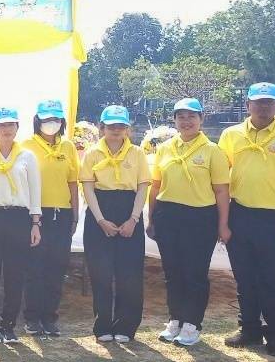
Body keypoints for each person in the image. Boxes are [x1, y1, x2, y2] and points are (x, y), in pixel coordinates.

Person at [217, 82, 275, 356]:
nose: (263, 107)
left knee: (274, 278)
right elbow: (220, 178)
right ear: (248, 105)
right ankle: (249, 329)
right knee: (244, 276)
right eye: (258, 102)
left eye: (269, 102)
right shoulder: (231, 135)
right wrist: (222, 220)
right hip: (240, 213)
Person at [146, 98, 230, 348]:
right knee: (173, 272)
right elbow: (156, 186)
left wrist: (223, 224)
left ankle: (192, 324)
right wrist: (152, 218)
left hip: (200, 217)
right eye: (181, 117)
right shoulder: (165, 148)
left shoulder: (213, 151)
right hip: (168, 215)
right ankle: (175, 319)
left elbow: (221, 191)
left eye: (192, 116)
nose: (186, 121)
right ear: (174, 120)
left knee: (195, 273)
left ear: (201, 119)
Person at [80, 105, 151, 343]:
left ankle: (126, 325)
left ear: (127, 129)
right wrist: (100, 220)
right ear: (102, 128)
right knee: (100, 271)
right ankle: (102, 325)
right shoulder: (92, 153)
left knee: (129, 273)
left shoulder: (137, 153)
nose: (116, 130)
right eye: (111, 126)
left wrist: (133, 219)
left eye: (121, 126)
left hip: (129, 210)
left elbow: (142, 187)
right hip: (100, 211)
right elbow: (88, 188)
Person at [0, 108, 41, 343]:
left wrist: (35, 223)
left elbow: (35, 191)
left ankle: (8, 324)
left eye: (11, 125)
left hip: (19, 218)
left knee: (15, 274)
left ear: (17, 128)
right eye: (1, 125)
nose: (6, 129)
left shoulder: (27, 156)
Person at [21, 99, 80, 337]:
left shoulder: (68, 147)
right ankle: (32, 318)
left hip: (62, 213)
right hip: (36, 214)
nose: (51, 123)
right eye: (46, 119)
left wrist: (75, 214)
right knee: (34, 267)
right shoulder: (25, 146)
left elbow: (72, 182)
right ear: (37, 121)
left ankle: (50, 317)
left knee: (57, 267)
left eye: (55, 119)